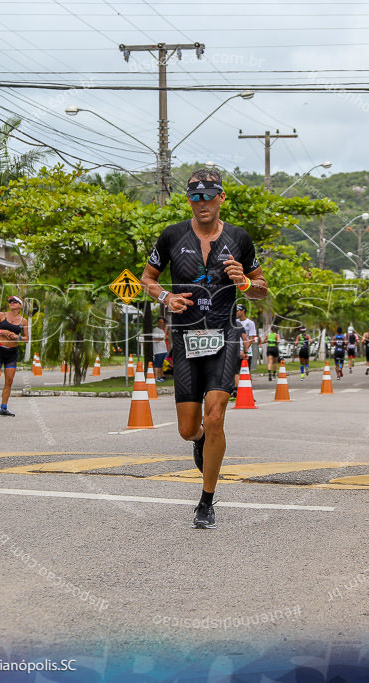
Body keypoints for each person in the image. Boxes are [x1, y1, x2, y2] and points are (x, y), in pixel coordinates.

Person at [140, 168, 266, 530]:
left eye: (209, 196)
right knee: (188, 429)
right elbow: (147, 279)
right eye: (195, 197)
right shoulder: (171, 236)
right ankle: (198, 443)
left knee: (215, 417)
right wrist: (166, 296)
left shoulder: (239, 238)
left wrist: (245, 282)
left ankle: (206, 501)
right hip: (183, 337)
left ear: (221, 198)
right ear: (189, 201)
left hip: (224, 335)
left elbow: (261, 286)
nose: (202, 203)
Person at [0, 295, 29, 416]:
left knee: (9, 381)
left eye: (15, 301)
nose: (11, 303)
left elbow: (26, 339)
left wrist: (18, 337)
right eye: (10, 301)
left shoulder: (23, 321)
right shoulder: (1, 315)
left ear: (20, 306)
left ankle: (3, 408)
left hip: (12, 353)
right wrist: (1, 331)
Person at [235, 304, 258, 374]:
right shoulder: (235, 322)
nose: (236, 312)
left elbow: (251, 339)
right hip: (237, 351)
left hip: (247, 352)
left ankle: (249, 384)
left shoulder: (250, 323)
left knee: (246, 373)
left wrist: (244, 351)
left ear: (243, 311)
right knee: (236, 372)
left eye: (237, 311)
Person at [152, 317, 170, 383]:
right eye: (160, 322)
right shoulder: (155, 330)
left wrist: (166, 337)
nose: (161, 323)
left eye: (162, 322)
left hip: (163, 350)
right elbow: (155, 339)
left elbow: (165, 338)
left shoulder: (162, 330)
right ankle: (156, 377)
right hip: (158, 350)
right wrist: (163, 338)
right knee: (157, 364)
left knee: (160, 364)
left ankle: (159, 376)